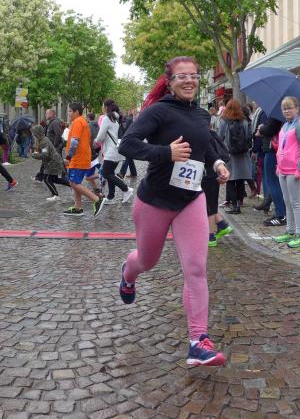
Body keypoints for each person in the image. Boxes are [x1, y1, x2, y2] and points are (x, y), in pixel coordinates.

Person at [117, 56, 230, 367]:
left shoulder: (202, 114)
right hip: (154, 200)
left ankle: (198, 342)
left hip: (190, 198)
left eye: (194, 75)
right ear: (170, 82)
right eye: (182, 76)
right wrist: (166, 153)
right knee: (147, 261)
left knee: (196, 269)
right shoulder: (158, 112)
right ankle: (128, 273)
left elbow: (205, 147)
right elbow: (127, 144)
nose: (189, 80)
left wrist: (217, 164)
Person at [273, 96, 300, 249]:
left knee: (296, 202)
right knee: (287, 202)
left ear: (297, 108)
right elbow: (281, 147)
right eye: (284, 108)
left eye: (289, 108)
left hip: (295, 170)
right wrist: (278, 165)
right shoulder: (285, 126)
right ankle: (290, 231)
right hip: (283, 169)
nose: (287, 111)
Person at [63, 102, 106, 216]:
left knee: (73, 183)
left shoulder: (77, 122)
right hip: (82, 157)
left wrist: (68, 157)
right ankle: (77, 207)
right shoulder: (82, 121)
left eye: (70, 111)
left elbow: (74, 141)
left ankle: (96, 200)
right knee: (75, 182)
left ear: (76, 112)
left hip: (78, 158)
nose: (68, 113)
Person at [95, 99, 135, 204]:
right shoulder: (115, 118)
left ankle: (126, 189)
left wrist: (95, 141)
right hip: (116, 150)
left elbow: (101, 136)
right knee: (110, 173)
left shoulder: (106, 119)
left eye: (103, 106)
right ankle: (111, 197)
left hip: (111, 151)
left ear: (106, 107)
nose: (102, 108)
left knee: (106, 173)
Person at [218, 99, 251, 215]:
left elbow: (220, 137)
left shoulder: (224, 121)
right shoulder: (245, 121)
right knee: (240, 179)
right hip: (243, 154)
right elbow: (248, 137)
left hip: (229, 154)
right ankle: (239, 202)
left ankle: (234, 206)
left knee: (230, 180)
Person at [204, 123, 233, 247]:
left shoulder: (204, 137)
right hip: (213, 173)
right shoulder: (213, 134)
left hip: (209, 174)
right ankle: (222, 225)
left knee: (209, 207)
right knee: (209, 204)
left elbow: (209, 156)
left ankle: (210, 237)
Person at [255, 117, 287, 227]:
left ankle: (281, 214)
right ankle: (281, 213)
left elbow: (270, 129)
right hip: (274, 150)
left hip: (272, 150)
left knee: (273, 183)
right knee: (275, 183)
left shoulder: (276, 116)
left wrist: (261, 128)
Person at [31, 124, 69, 201]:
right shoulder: (43, 139)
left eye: (34, 133)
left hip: (53, 163)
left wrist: (34, 155)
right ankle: (73, 185)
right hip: (53, 162)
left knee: (47, 179)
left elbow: (45, 155)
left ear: (37, 133)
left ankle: (55, 195)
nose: (33, 135)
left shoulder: (44, 141)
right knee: (56, 179)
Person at [118, 109, 139, 179]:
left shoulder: (128, 120)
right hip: (125, 140)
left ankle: (122, 173)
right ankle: (133, 173)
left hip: (128, 140)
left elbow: (131, 130)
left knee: (126, 155)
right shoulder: (120, 121)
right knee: (129, 156)